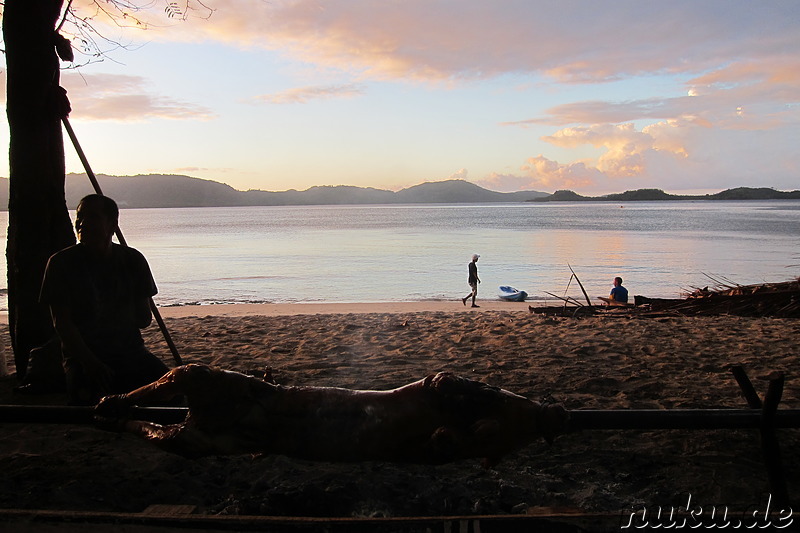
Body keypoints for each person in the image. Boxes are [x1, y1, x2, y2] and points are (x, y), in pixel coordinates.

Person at [39, 194, 169, 405]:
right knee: (99, 404)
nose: (81, 223)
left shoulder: (133, 260)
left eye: (93, 217)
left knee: (172, 394)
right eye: (79, 217)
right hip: (84, 359)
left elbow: (144, 320)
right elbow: (61, 323)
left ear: (112, 225)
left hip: (132, 354)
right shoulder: (60, 263)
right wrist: (90, 362)